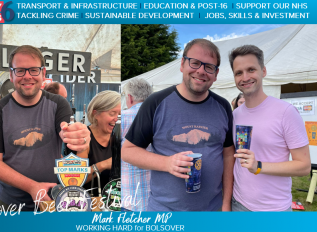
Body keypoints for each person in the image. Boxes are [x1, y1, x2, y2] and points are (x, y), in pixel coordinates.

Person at [122, 39, 235, 211]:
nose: (201, 71)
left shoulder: (223, 106)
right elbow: (128, 151)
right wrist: (167, 163)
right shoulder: (156, 102)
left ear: (216, 73)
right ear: (182, 64)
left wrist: (226, 204)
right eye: (195, 63)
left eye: (209, 67)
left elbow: (228, 155)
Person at [0, 45, 90, 211]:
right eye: (20, 70)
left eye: (33, 70)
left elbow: (66, 131)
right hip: (8, 203)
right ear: (11, 75)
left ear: (43, 73)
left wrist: (79, 137)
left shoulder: (58, 103)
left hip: (51, 199)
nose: (27, 76)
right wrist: (32, 187)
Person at [228, 45, 311, 211]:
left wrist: (258, 166)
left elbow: (304, 166)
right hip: (238, 204)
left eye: (251, 69)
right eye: (239, 72)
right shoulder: (235, 115)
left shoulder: (285, 112)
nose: (245, 77)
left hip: (273, 209)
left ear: (263, 71)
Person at [79, 90, 121, 197]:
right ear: (95, 114)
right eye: (112, 113)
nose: (117, 119)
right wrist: (103, 165)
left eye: (120, 114)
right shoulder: (84, 138)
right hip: (90, 204)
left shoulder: (120, 136)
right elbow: (76, 180)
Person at [121, 78, 153, 211]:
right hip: (155, 197)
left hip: (129, 195)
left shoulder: (122, 117)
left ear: (129, 97)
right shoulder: (159, 116)